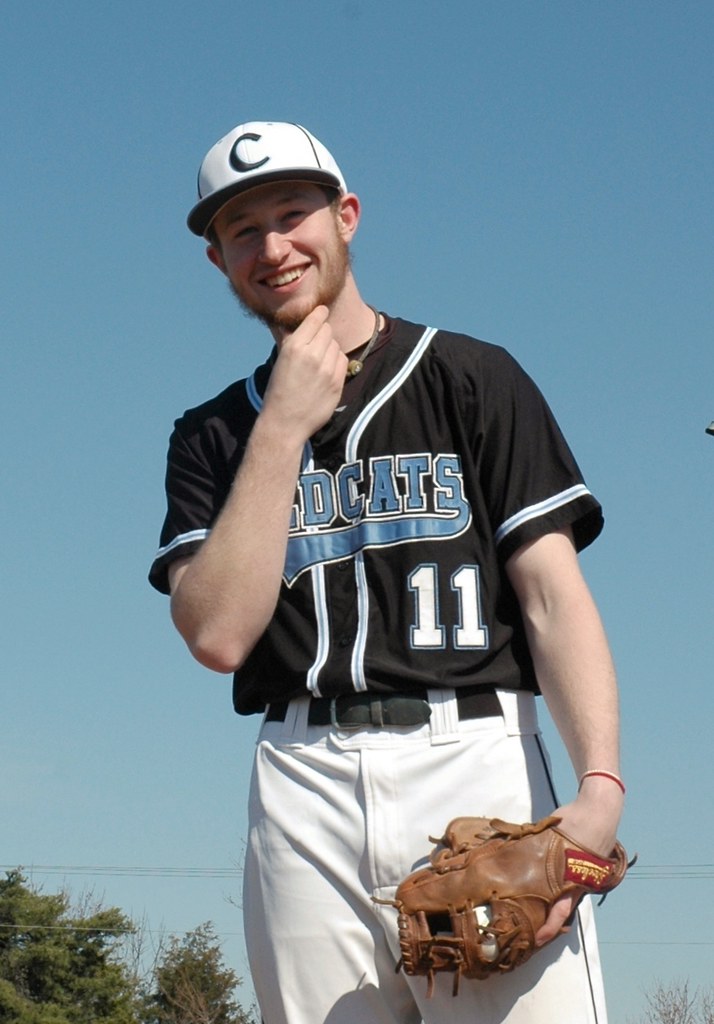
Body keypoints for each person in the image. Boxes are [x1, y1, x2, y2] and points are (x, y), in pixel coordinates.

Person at [149, 120, 624, 1024]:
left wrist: (600, 788)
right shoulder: (213, 435)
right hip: (301, 777)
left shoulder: (473, 378)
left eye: (294, 213)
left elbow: (553, 598)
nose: (274, 246)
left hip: (476, 761)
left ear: (348, 217)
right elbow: (216, 633)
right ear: (217, 260)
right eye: (242, 230)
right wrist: (282, 427)